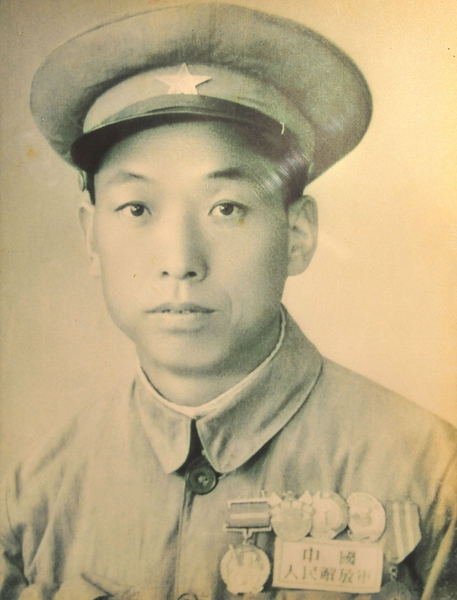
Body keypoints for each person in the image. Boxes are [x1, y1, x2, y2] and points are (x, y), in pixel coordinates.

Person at [0, 3, 456, 600]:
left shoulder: (431, 477)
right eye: (137, 209)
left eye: (227, 208)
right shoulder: (37, 492)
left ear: (298, 234)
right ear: (91, 237)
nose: (179, 260)